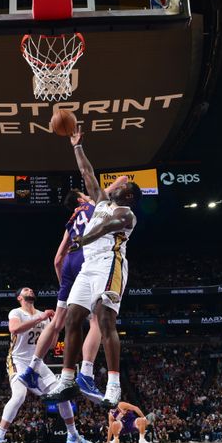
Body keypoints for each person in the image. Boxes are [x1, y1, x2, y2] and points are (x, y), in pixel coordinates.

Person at [46, 125, 141, 408]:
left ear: (129, 196)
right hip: (89, 266)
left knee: (105, 320)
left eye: (122, 186)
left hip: (110, 266)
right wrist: (76, 146)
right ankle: (66, 379)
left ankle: (113, 384)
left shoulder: (126, 214)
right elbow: (87, 173)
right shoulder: (100, 200)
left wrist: (81, 239)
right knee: (73, 319)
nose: (117, 186)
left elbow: (104, 229)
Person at [19, 176, 129, 404]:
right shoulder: (93, 205)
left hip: (68, 263)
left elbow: (58, 257)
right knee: (98, 321)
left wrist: (64, 286)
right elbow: (103, 191)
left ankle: (32, 368)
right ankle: (86, 373)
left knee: (60, 322)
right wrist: (120, 181)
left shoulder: (72, 218)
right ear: (81, 197)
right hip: (87, 256)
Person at [0, 287, 94, 443]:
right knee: (19, 396)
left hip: (38, 363)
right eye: (26, 289)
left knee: (63, 395)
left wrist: (55, 327)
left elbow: (51, 346)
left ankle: (73, 435)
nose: (30, 290)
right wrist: (41, 317)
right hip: (18, 361)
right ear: (19, 297)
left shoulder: (43, 315)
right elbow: (14, 329)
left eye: (31, 289)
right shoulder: (16, 312)